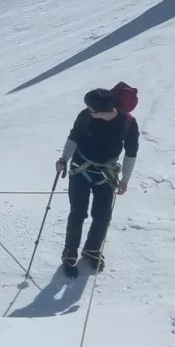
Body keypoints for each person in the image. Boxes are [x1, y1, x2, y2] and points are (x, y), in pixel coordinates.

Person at [54, 87, 139, 274]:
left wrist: (125, 179)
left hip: (105, 174)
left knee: (102, 216)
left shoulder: (128, 123)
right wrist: (63, 160)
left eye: (92, 110)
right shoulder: (86, 115)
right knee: (78, 213)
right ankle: (70, 252)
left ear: (102, 112)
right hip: (80, 169)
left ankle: (92, 249)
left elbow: (131, 153)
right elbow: (73, 137)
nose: (88, 111)